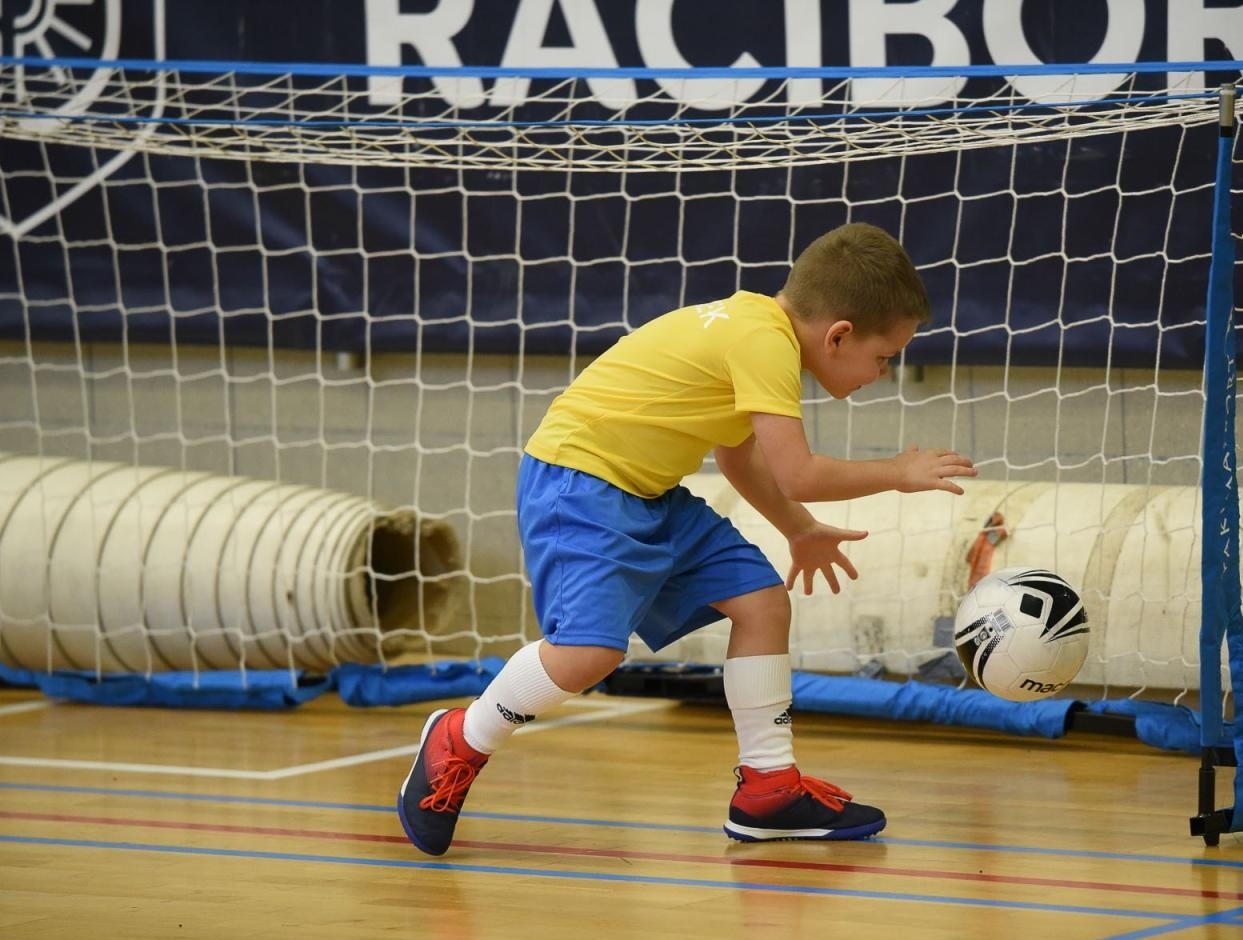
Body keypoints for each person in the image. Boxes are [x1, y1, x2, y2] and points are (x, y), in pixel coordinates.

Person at [398, 222, 977, 855]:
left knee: (761, 602)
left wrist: (798, 529)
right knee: (587, 654)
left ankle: (768, 789)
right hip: (580, 482)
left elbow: (737, 458)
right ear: (838, 334)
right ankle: (462, 735)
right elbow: (799, 472)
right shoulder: (764, 343)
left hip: (648, 492)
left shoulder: (756, 329)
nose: (883, 372)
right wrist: (897, 472)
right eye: (883, 356)